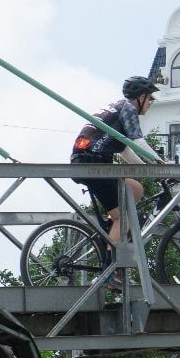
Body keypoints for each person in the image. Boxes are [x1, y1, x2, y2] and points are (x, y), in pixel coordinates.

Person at [70, 76, 156, 247]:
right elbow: (138, 142)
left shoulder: (116, 110)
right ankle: (111, 267)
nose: (150, 103)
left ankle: (111, 230)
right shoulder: (129, 109)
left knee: (136, 189)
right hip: (95, 164)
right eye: (150, 98)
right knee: (126, 219)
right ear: (141, 97)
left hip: (86, 160)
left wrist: (147, 169)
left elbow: (125, 150)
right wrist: (161, 165)